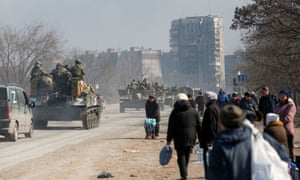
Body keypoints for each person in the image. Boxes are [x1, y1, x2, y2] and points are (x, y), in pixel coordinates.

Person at [166, 93, 201, 180]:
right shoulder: (193, 111)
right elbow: (199, 126)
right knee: (188, 153)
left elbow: (171, 127)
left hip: (178, 137)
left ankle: (183, 174)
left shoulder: (174, 112)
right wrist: (201, 137)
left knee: (181, 155)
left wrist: (169, 140)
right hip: (191, 137)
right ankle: (184, 170)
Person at [200, 91, 220, 179]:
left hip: (210, 142)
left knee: (209, 163)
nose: (203, 100)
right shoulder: (216, 107)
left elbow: (211, 126)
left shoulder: (210, 110)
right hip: (216, 139)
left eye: (204, 98)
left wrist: (210, 141)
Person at [274, 88, 297, 161]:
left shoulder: (291, 105)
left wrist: (278, 120)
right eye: (280, 95)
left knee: (289, 149)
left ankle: (292, 165)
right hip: (278, 131)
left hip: (287, 131)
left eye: (283, 95)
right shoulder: (277, 105)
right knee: (280, 149)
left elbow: (288, 118)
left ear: (287, 96)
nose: (281, 97)